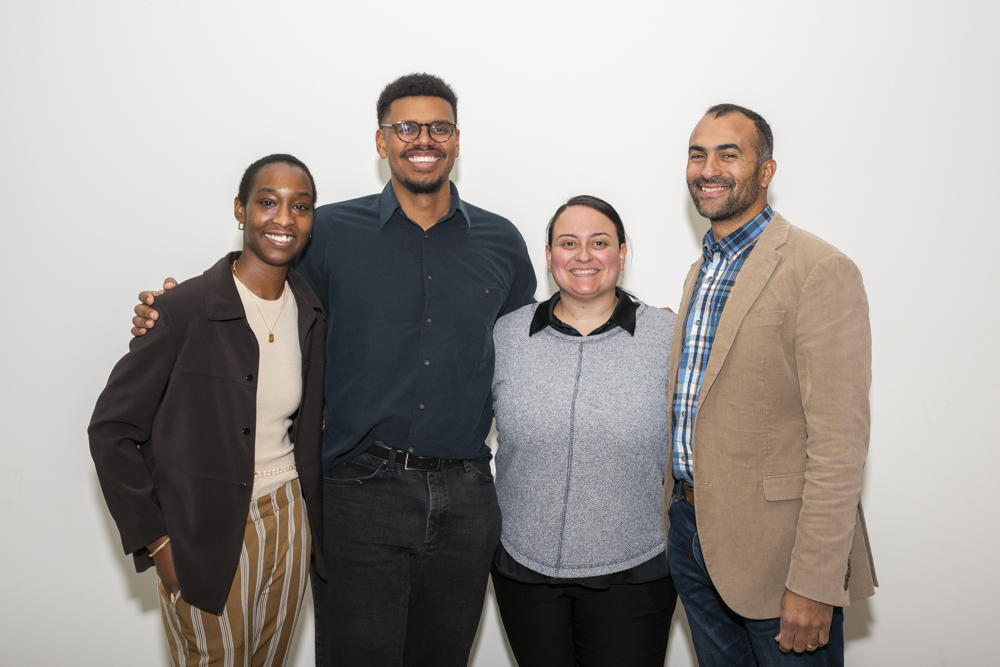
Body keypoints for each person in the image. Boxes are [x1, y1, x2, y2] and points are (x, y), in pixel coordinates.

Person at [129, 74, 537, 666]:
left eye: (438, 127)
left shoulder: (502, 241)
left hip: (468, 495)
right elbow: (254, 294)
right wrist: (165, 310)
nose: (423, 138)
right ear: (381, 142)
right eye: (406, 127)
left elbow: (530, 344)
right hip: (357, 491)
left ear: (456, 140)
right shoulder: (328, 235)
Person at [89, 154, 326, 665]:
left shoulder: (311, 310)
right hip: (206, 530)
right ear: (240, 211)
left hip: (289, 518)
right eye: (267, 202)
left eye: (300, 206)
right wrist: (158, 542)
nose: (284, 219)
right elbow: (111, 431)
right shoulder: (182, 311)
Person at [664, 104, 877, 666]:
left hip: (779, 557)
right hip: (692, 536)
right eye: (697, 154)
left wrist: (815, 581)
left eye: (728, 154)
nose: (708, 168)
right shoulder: (701, 269)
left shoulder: (819, 269)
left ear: (766, 171)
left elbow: (839, 446)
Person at [490, 196, 678, 667]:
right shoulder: (506, 335)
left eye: (599, 243)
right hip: (523, 568)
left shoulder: (668, 336)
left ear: (622, 252)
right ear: (549, 255)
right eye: (568, 243)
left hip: (636, 570)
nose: (584, 255)